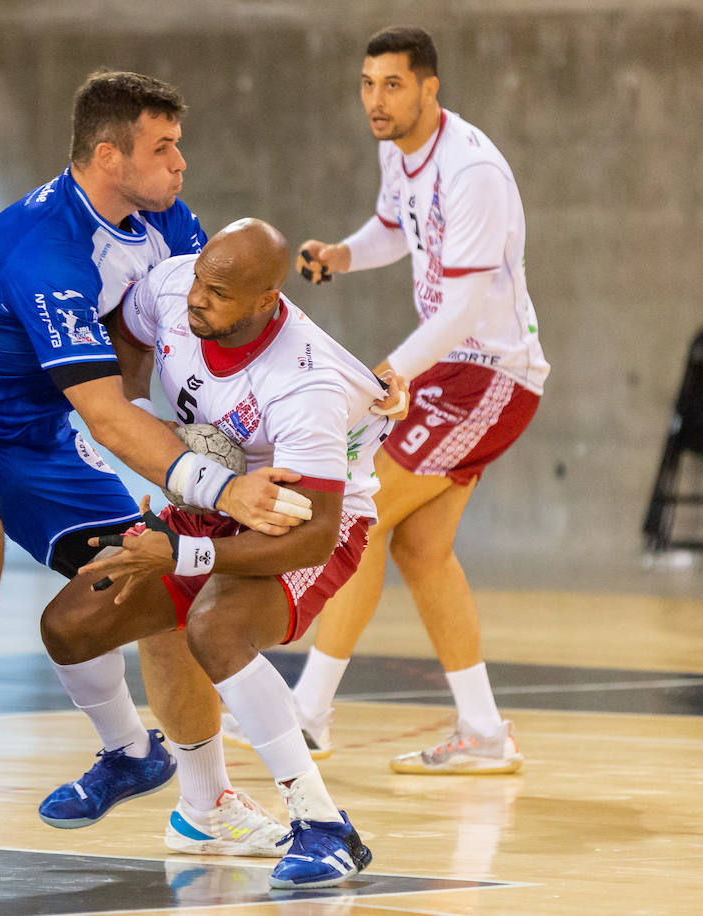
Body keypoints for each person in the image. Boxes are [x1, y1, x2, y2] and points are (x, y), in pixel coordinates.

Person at [0, 71, 313, 874]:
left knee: (158, 578)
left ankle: (198, 798)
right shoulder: (45, 250)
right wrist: (213, 484)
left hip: (36, 431)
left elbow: (195, 332)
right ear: (108, 157)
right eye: (163, 147)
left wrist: (343, 385)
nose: (181, 164)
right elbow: (109, 416)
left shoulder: (169, 221)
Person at [38, 218, 392, 889]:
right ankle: (132, 755)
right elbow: (129, 332)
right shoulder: (178, 286)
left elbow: (313, 532)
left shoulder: (304, 384)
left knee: (215, 629)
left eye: (220, 293)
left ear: (265, 302)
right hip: (214, 498)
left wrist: (182, 556)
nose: (198, 297)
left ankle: (323, 826)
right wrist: (149, 424)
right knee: (68, 625)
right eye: (201, 278)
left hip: (312, 522)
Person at [239, 25, 550, 774]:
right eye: (367, 84)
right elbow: (393, 229)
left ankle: (309, 711)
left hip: (487, 373)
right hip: (450, 371)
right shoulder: (397, 153)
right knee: (419, 547)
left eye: (393, 85)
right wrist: (343, 255)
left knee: (363, 513)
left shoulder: (471, 171)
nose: (376, 100)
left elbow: (468, 307)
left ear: (430, 88)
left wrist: (392, 370)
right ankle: (480, 731)